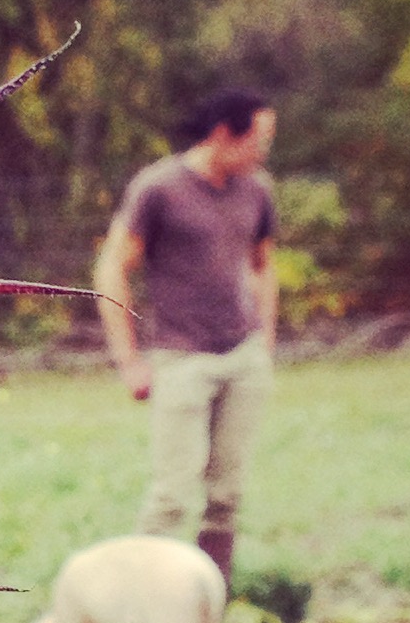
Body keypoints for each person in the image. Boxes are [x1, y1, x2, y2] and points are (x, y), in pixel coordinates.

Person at [93, 88, 278, 591]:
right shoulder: (159, 189)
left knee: (226, 498)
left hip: (243, 360)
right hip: (181, 361)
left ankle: (206, 608)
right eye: (259, 139)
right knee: (172, 497)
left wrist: (264, 343)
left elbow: (263, 267)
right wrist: (128, 359)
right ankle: (132, 603)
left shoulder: (257, 191)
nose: (265, 151)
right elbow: (112, 268)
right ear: (223, 134)